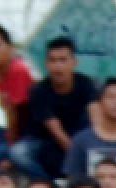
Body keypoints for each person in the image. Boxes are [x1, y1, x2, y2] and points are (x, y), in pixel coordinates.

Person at [16, 36, 100, 179]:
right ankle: (48, 186)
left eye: (63, 60)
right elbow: (56, 130)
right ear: (46, 64)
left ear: (74, 62)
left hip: (79, 136)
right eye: (53, 60)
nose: (58, 66)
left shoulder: (87, 85)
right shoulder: (39, 90)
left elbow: (97, 121)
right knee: (18, 153)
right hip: (44, 139)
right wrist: (78, 157)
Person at [0, 24, 35, 171]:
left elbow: (18, 116)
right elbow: (7, 110)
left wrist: (9, 152)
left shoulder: (18, 70)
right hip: (12, 134)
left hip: (28, 138)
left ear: (10, 48)